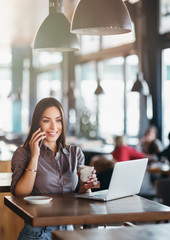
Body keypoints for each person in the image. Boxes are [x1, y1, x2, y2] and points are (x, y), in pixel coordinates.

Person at [10, 97, 97, 240]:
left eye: (58, 120)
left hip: (69, 230)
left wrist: (86, 186)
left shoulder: (75, 153)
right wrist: (35, 156)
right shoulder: (23, 153)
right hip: (38, 233)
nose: (54, 127)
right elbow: (19, 193)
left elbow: (83, 195)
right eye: (46, 120)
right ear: (38, 122)